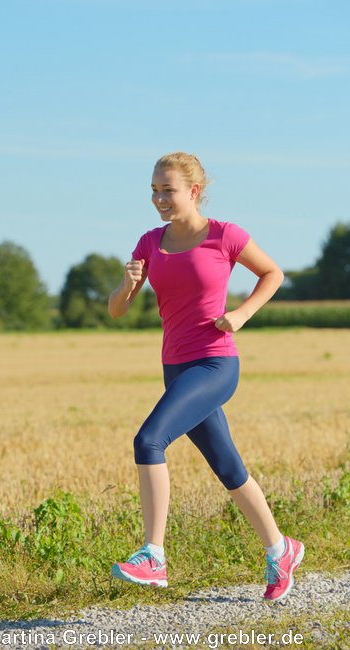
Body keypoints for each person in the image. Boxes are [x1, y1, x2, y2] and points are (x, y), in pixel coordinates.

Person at [107, 152, 304, 601]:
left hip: (216, 363)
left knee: (148, 440)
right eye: (154, 190)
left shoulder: (224, 235)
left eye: (168, 189)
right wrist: (127, 284)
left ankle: (153, 556)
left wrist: (243, 313)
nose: (159, 198)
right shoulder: (149, 243)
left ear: (193, 192)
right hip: (175, 368)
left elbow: (273, 273)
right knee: (228, 466)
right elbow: (118, 310)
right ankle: (281, 548)